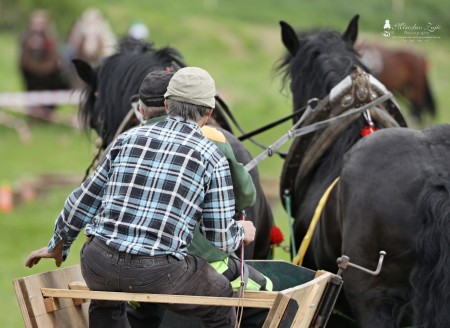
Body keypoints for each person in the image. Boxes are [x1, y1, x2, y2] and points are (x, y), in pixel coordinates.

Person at [25, 67, 257, 328]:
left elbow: (80, 201)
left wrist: (59, 244)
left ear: (167, 104)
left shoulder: (126, 139)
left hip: (98, 262)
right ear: (208, 113)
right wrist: (242, 231)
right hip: (159, 272)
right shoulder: (211, 156)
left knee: (105, 297)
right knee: (221, 296)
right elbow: (220, 238)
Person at [127, 70, 272, 327]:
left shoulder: (129, 141)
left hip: (130, 263)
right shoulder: (213, 140)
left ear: (143, 109)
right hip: (192, 262)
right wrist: (241, 230)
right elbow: (245, 198)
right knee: (267, 290)